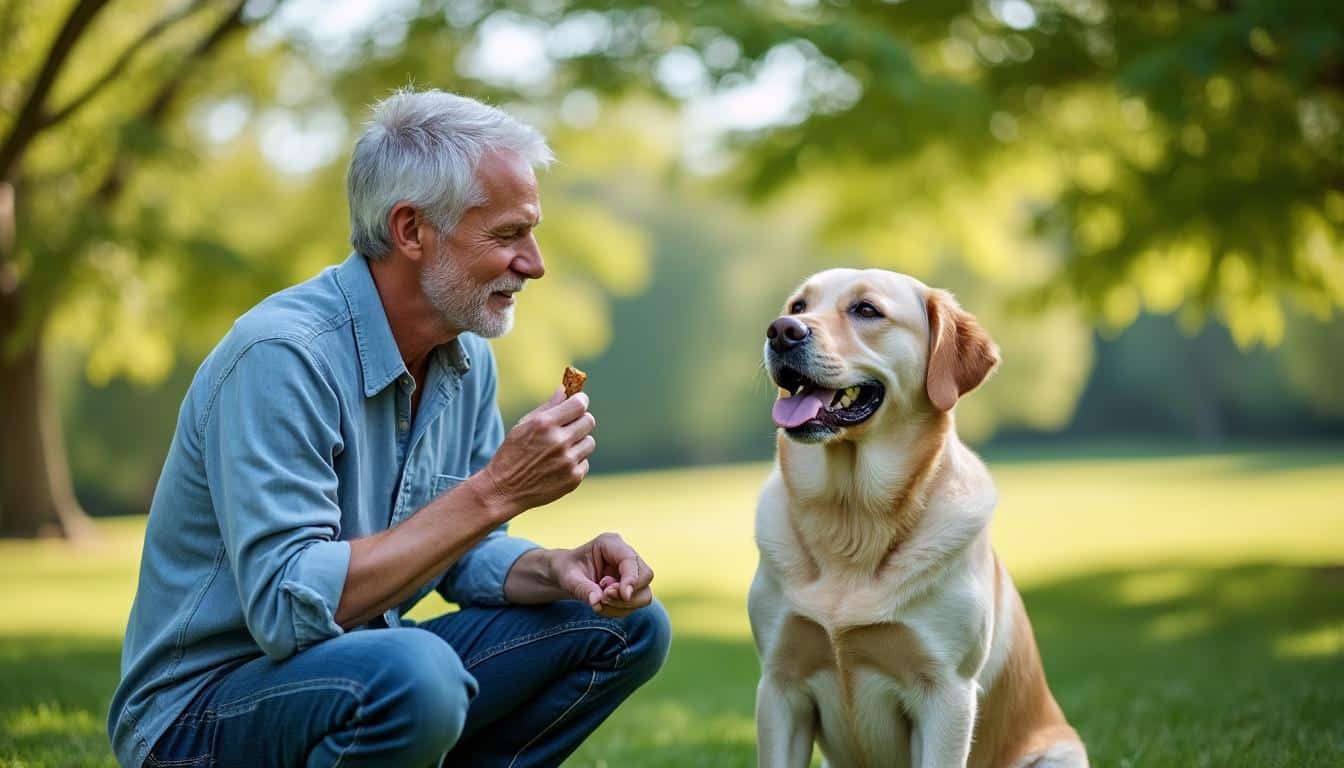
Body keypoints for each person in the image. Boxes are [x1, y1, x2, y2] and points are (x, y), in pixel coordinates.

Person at [108, 89, 671, 768]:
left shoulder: (465, 359)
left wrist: (556, 568)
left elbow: (460, 549)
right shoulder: (283, 357)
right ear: (410, 231)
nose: (535, 262)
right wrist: (498, 488)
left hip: (362, 675)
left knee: (627, 625)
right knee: (416, 673)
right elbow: (289, 610)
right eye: (507, 234)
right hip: (200, 713)